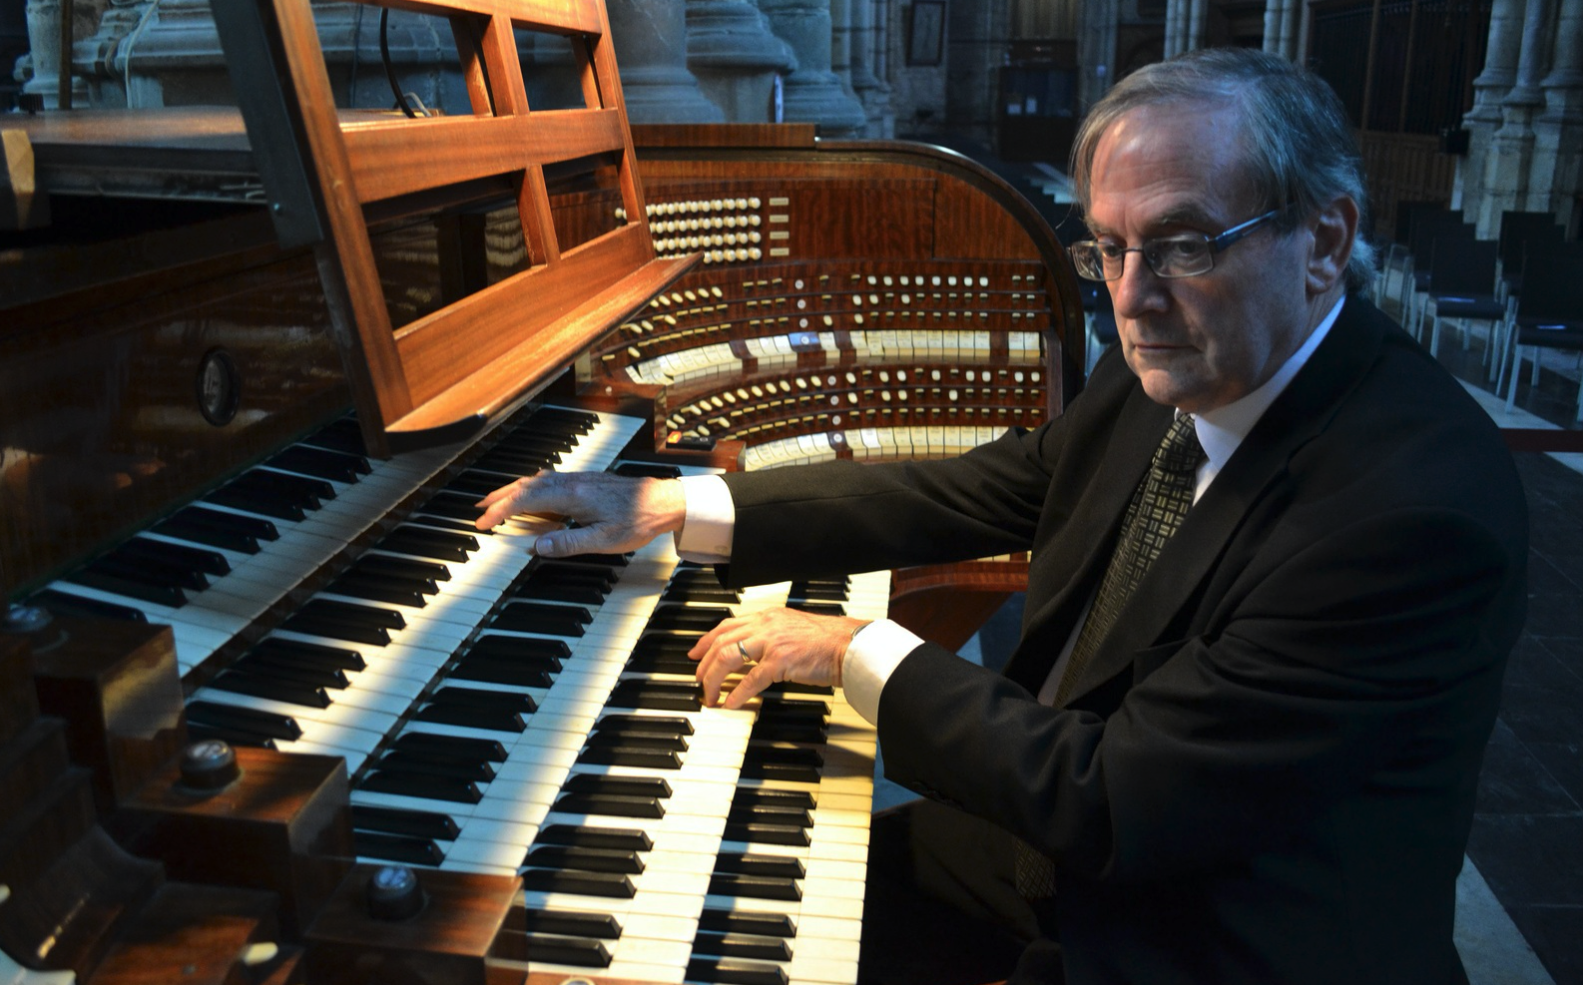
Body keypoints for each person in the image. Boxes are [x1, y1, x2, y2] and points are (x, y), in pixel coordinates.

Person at [476, 48, 1527, 985]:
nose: (1130, 296)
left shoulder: (1403, 517)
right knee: (727, 896)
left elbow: (1111, 797)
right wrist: (672, 503)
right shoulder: (1179, 358)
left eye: (1181, 245)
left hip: (1211, 930)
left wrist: (850, 648)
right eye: (1105, 248)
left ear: (1322, 239)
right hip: (1063, 848)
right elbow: (990, 486)